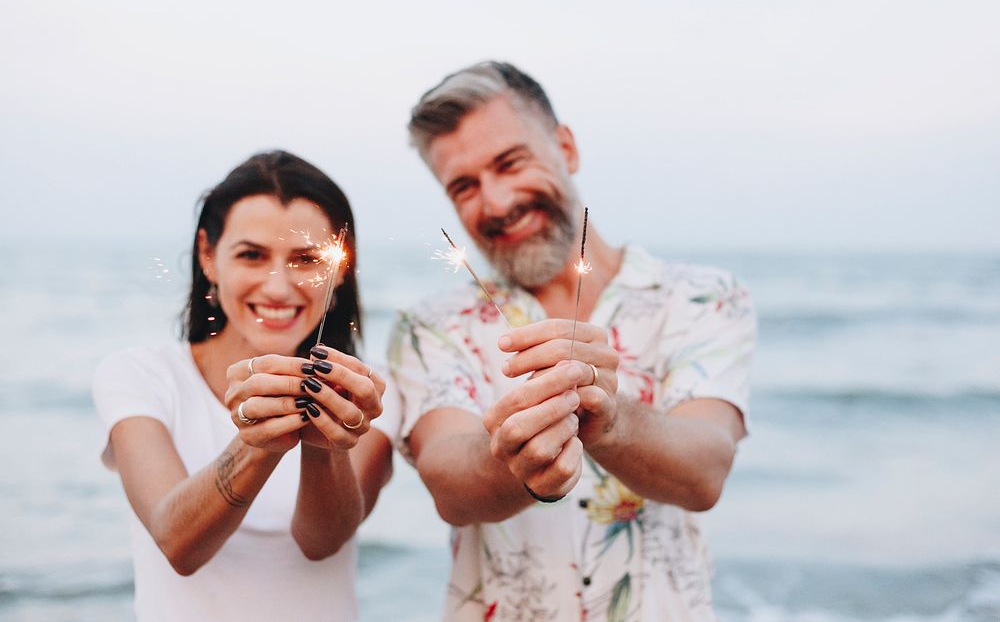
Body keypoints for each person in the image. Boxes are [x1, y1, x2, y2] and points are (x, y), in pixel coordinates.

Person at [388, 62, 756, 621]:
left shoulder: (703, 299)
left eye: (510, 163)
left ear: (566, 147)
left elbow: (705, 469)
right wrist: (519, 460)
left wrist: (611, 421)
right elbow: (449, 483)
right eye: (464, 187)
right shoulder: (431, 326)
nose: (495, 202)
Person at [93, 150, 394, 621]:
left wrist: (322, 442)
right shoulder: (140, 376)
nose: (277, 287)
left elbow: (323, 542)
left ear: (338, 272)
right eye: (252, 255)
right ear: (208, 256)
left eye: (306, 259)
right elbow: (178, 543)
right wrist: (258, 443)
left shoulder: (365, 391)